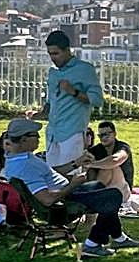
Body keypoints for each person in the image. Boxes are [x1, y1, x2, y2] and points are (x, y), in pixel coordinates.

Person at [2, 117, 139, 258]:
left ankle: (119, 238)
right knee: (113, 196)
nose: (39, 137)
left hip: (67, 193)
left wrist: (75, 164)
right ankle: (92, 244)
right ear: (23, 140)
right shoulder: (26, 166)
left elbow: (50, 173)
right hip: (63, 202)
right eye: (34, 135)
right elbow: (47, 200)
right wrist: (73, 184)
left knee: (100, 187)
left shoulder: (19, 158)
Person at [38, 31, 103, 173]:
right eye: (50, 54)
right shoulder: (53, 72)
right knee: (52, 175)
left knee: (71, 175)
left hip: (72, 132)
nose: (53, 58)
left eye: (56, 53)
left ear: (67, 50)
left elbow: (97, 100)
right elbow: (51, 100)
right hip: (52, 133)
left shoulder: (84, 69)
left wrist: (74, 92)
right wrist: (40, 113)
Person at [84, 120, 134, 200]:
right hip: (103, 187)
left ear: (114, 134)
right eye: (100, 135)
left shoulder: (122, 147)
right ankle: (92, 197)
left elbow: (115, 160)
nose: (103, 138)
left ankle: (92, 197)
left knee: (111, 167)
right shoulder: (96, 150)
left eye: (106, 135)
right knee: (90, 170)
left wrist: (92, 164)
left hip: (121, 190)